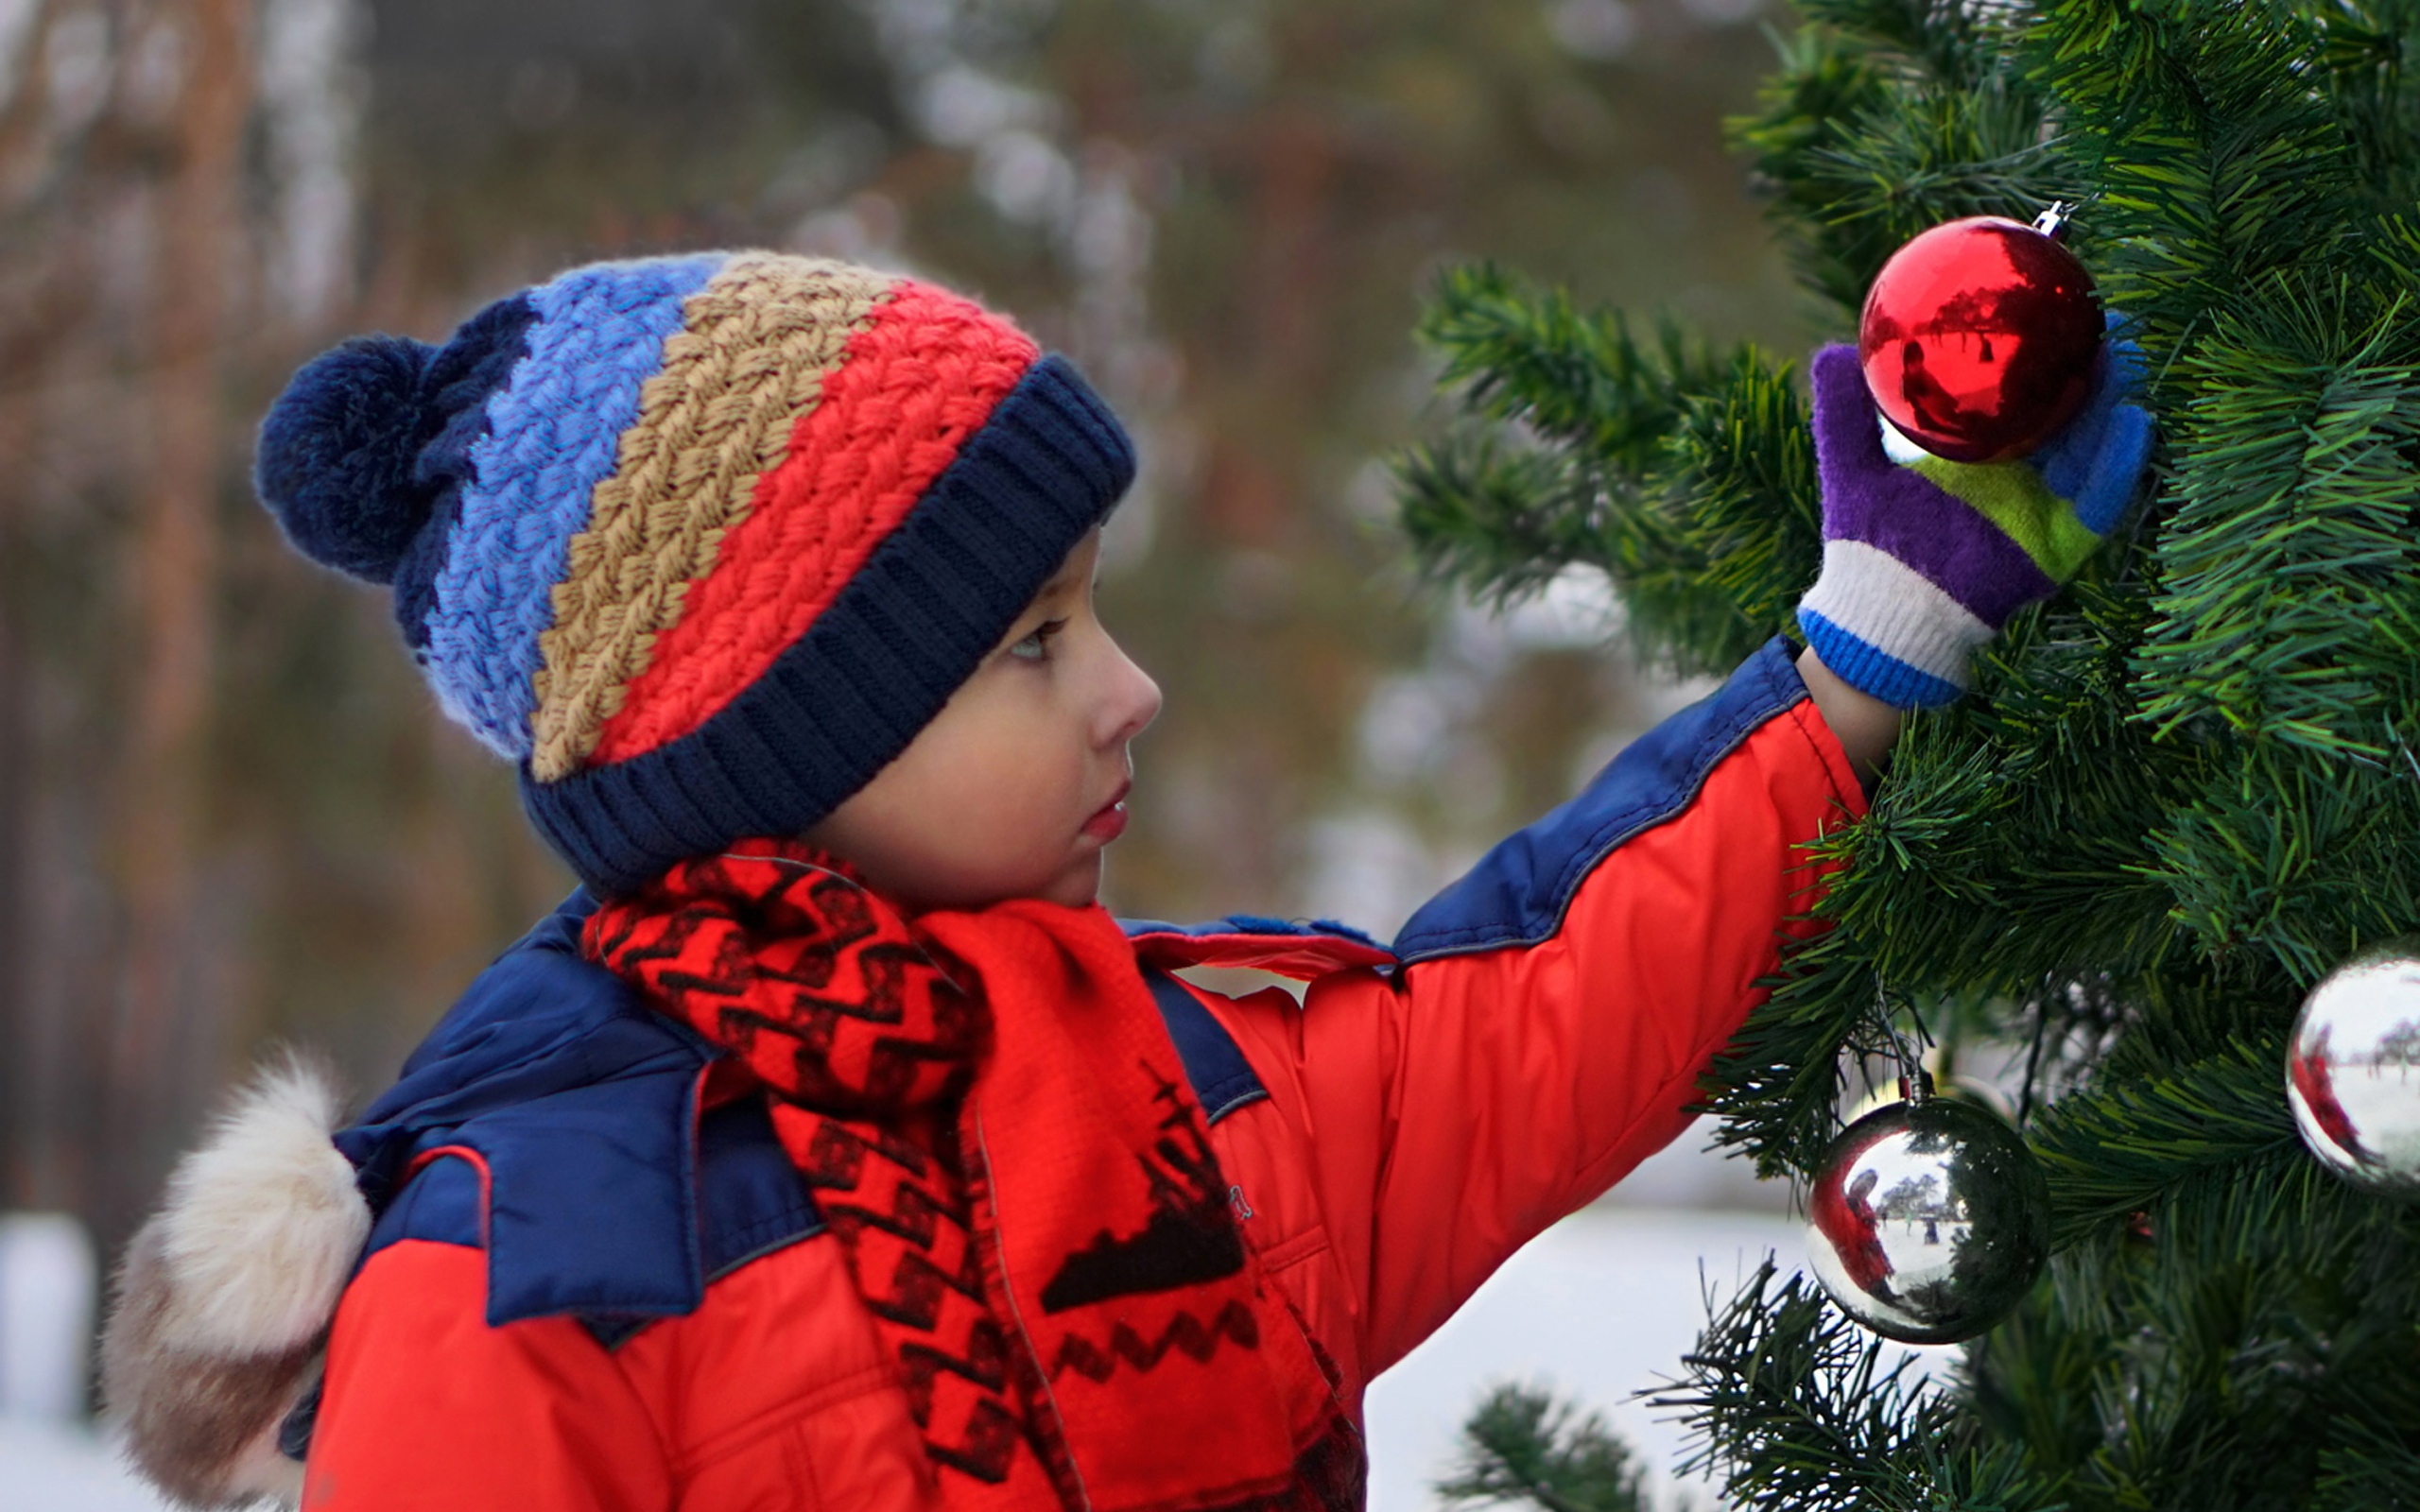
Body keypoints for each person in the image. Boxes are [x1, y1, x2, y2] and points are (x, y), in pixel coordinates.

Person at [99, 251, 2150, 1512]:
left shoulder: (1170, 1080)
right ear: (780, 745)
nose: (1129, 691)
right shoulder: (526, 1260)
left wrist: (1863, 650)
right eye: (1030, 643)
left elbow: (1530, 1010)